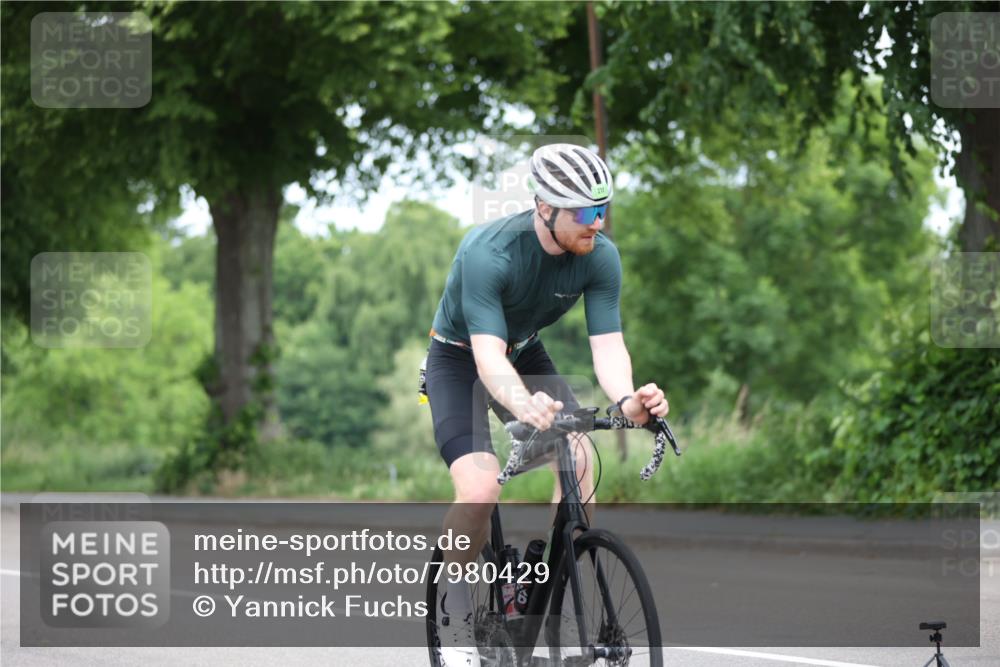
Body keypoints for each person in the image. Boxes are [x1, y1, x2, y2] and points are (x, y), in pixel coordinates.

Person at [423, 143, 669, 666]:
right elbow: (487, 358)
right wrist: (521, 401)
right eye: (584, 212)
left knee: (578, 460)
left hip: (523, 349)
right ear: (544, 207)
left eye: (602, 209)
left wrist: (627, 399)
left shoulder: (600, 256)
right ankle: (456, 608)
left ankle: (550, 589)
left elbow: (608, 346)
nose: (597, 223)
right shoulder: (488, 253)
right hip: (460, 357)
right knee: (480, 487)